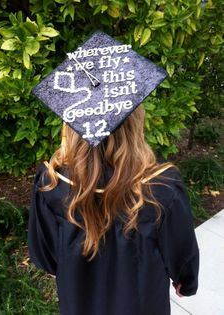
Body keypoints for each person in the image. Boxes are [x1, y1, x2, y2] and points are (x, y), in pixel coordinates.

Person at [28, 31, 199, 315]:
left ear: (72, 120)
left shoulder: (52, 182)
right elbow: (182, 256)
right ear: (135, 120)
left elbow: (46, 258)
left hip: (79, 304)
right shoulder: (160, 186)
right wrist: (186, 283)